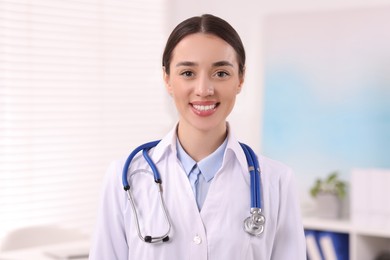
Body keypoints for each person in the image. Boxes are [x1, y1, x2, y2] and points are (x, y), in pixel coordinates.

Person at [89, 14, 306, 259]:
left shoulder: (276, 182)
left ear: (240, 79)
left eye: (221, 73)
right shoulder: (125, 178)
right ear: (167, 79)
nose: (204, 89)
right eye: (188, 73)